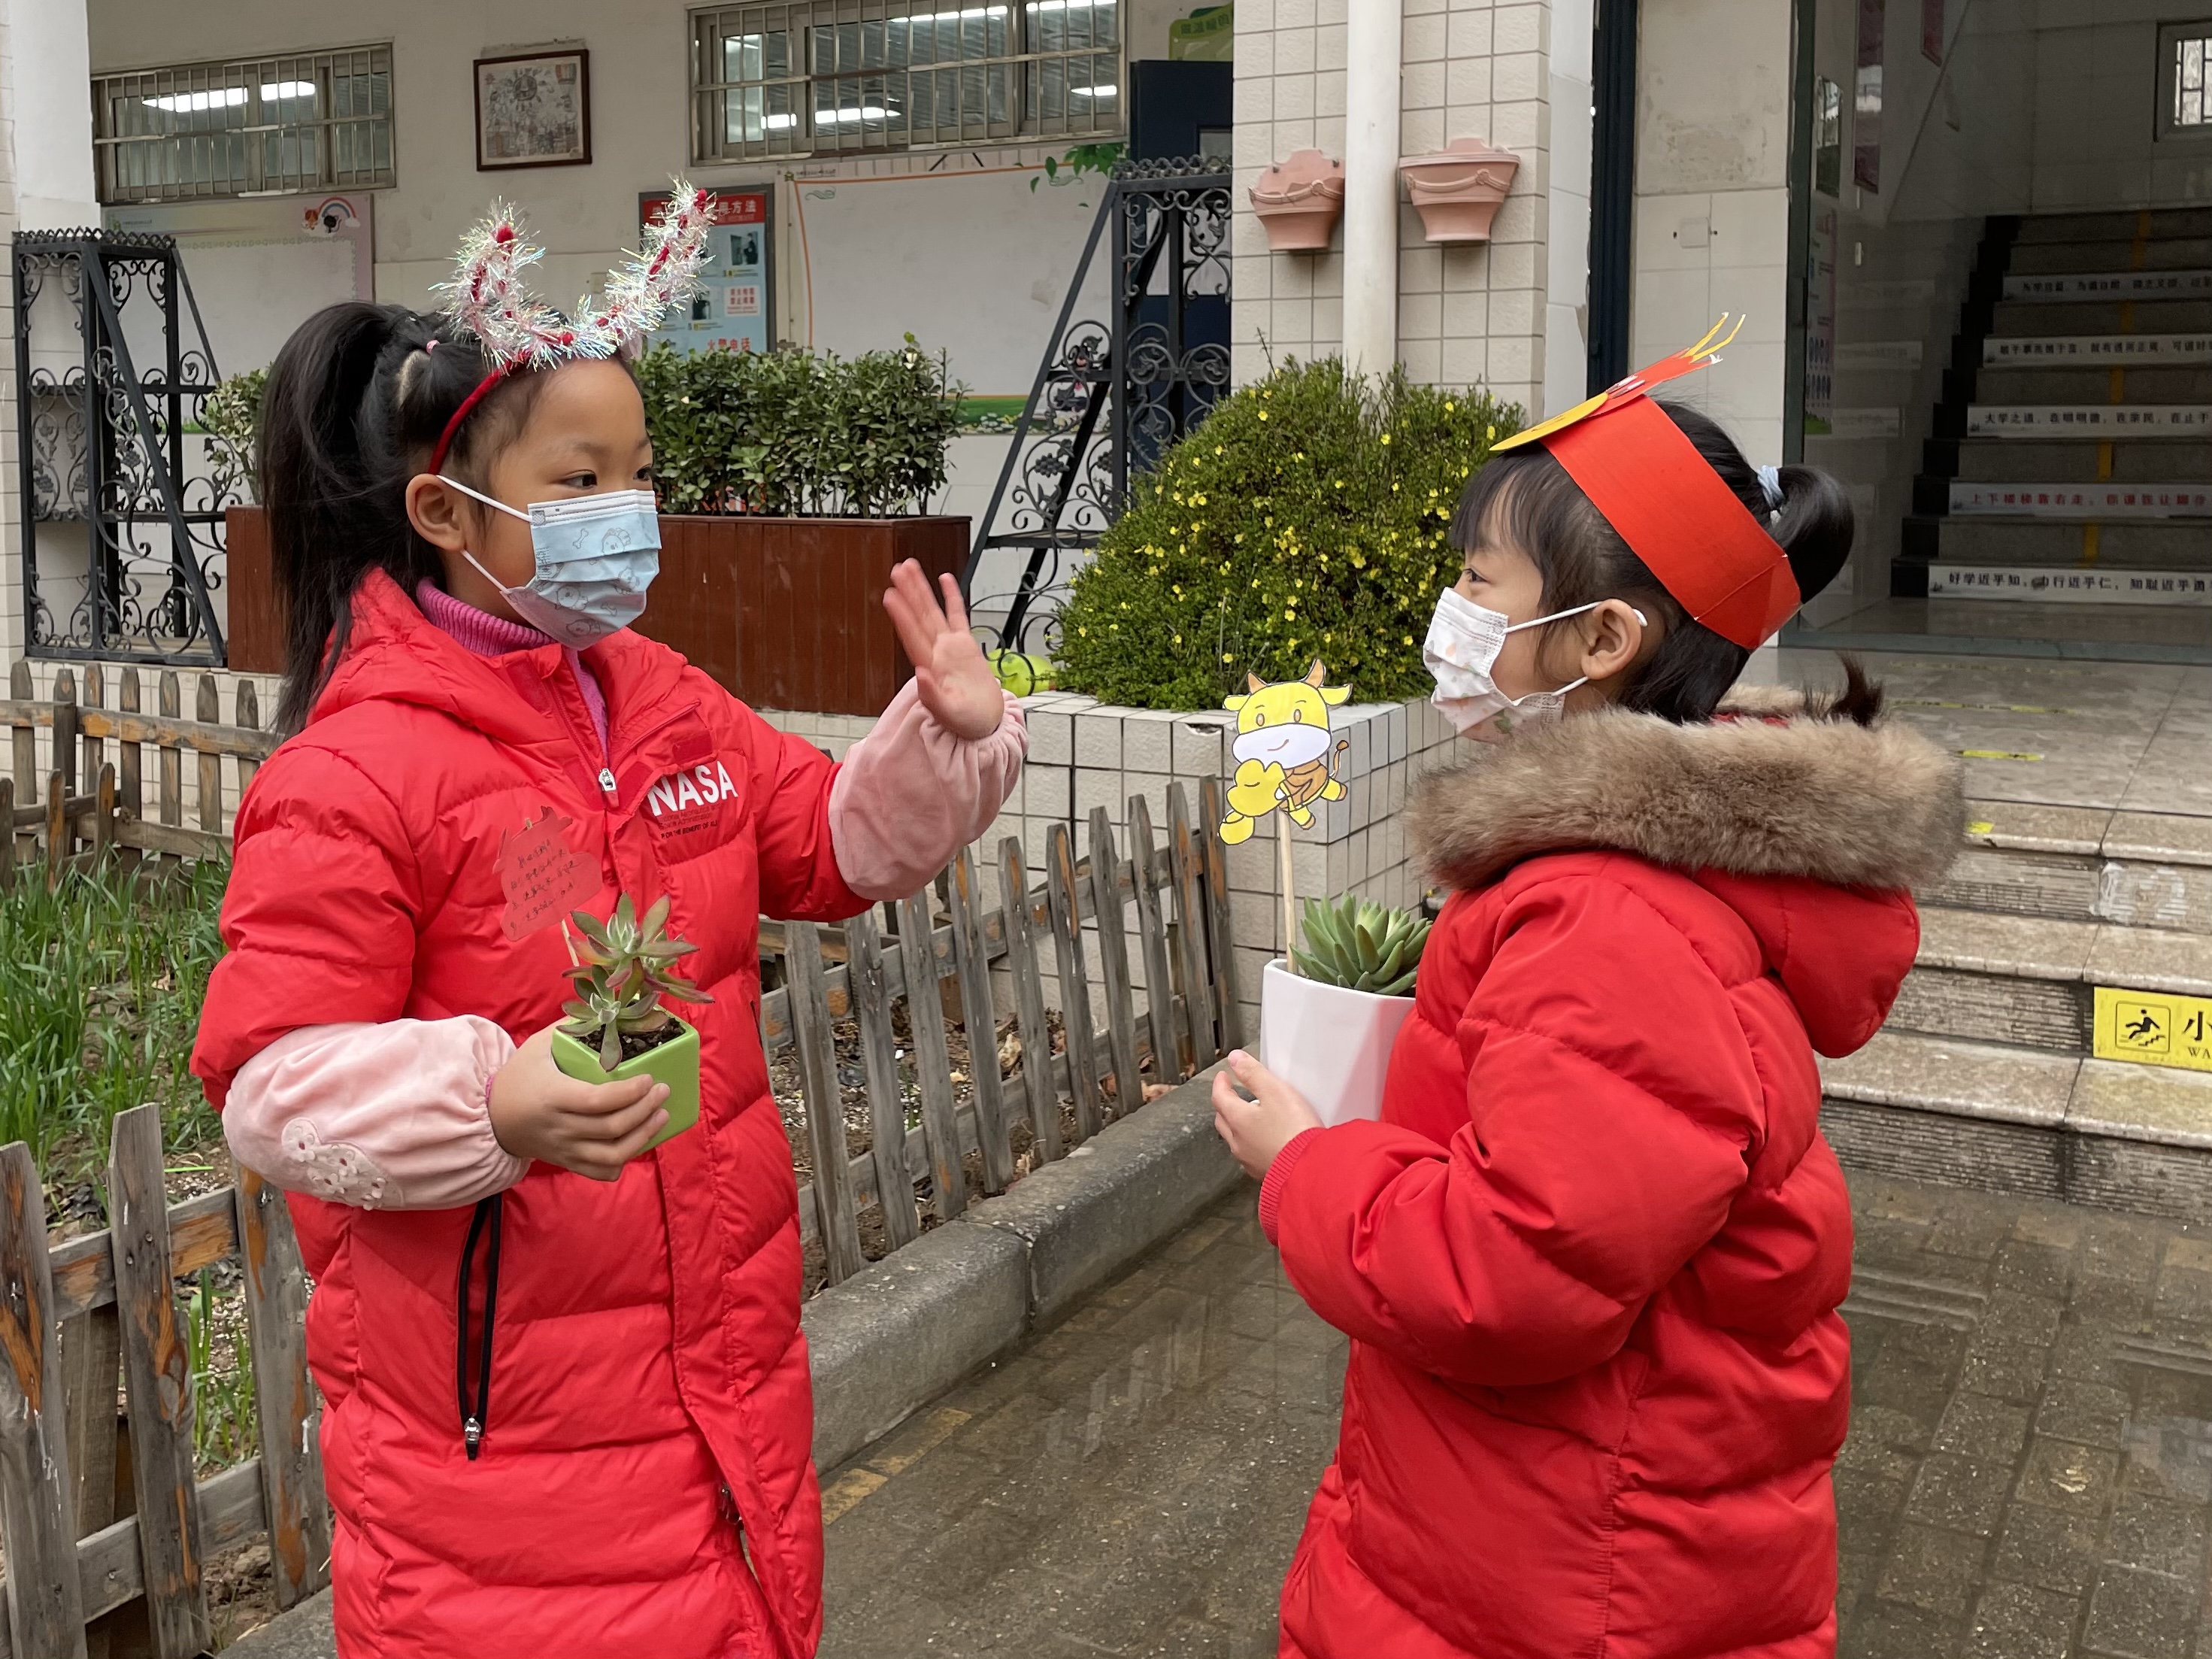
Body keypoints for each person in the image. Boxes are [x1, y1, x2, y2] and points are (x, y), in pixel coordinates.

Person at [190, 190, 1026, 1659]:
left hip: (719, 1410)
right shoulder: (353, 772)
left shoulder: (662, 696)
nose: (629, 511)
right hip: (501, 1477)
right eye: (582, 479)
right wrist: (487, 1097)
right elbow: (270, 1089)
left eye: (638, 471)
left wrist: (940, 742)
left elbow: (820, 845)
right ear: (445, 513)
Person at [1211, 327, 1964, 1659]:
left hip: (1570, 1565)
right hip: (1565, 1522)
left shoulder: (1606, 914)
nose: (1447, 607)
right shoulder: (1633, 869)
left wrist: (1306, 1168)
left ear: (1603, 636)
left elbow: (1512, 1274)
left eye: (1474, 578)